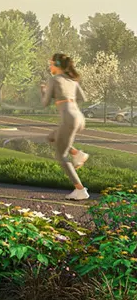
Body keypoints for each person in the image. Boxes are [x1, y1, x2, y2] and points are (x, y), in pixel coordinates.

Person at [41, 53, 92, 200]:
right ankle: (76, 153)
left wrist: (44, 91)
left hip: (69, 119)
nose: (49, 66)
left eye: (51, 63)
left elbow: (45, 103)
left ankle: (80, 190)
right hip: (79, 118)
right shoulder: (72, 81)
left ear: (57, 65)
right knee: (51, 137)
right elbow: (83, 98)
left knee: (61, 156)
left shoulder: (54, 79)